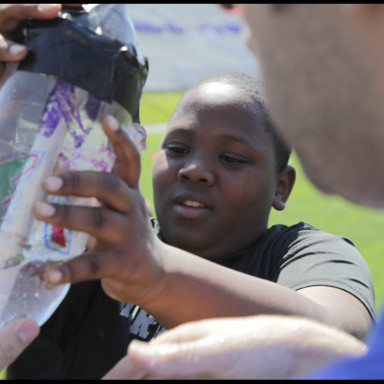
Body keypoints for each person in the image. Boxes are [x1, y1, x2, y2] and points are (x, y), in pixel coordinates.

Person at [0, 4, 377, 380]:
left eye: (231, 158)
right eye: (177, 150)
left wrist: (156, 272)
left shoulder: (307, 255)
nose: (195, 170)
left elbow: (340, 344)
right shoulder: (85, 243)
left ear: (282, 186)